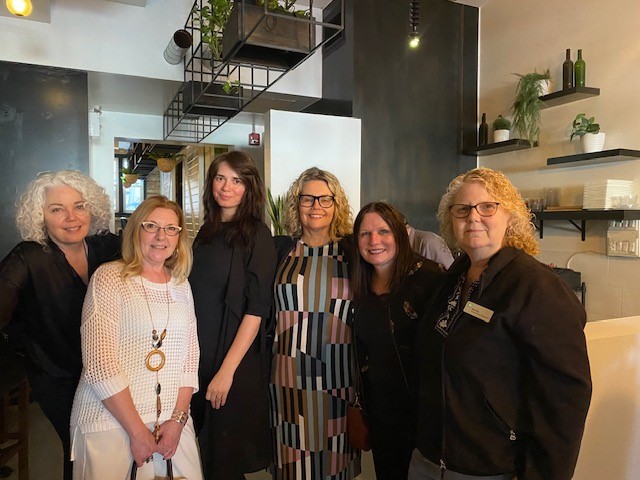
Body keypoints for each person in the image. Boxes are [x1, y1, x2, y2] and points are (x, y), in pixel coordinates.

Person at [409, 167, 592, 480]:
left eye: (487, 207)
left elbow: (564, 397)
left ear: (511, 216)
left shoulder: (536, 287)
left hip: (491, 468)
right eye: (462, 209)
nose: (473, 217)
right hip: (428, 460)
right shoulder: (452, 278)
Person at [70, 195, 201, 480]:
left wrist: (178, 420)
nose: (161, 236)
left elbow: (190, 359)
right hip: (111, 421)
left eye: (171, 229)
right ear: (135, 230)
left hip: (172, 423)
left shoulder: (181, 285)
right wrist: (138, 432)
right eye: (151, 226)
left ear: (179, 237)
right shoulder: (109, 278)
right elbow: (100, 365)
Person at [0, 170, 120, 480]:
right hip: (57, 377)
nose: (71, 217)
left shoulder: (106, 247)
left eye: (79, 206)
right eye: (57, 209)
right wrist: (24, 353)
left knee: (108, 447)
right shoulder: (27, 257)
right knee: (79, 450)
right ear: (40, 216)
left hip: (107, 371)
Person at [189, 151, 277, 479]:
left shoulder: (257, 234)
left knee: (225, 460)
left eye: (237, 180)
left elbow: (257, 310)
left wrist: (226, 371)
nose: (226, 187)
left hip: (233, 361)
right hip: (201, 357)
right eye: (220, 178)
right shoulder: (206, 232)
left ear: (249, 187)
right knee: (206, 455)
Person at [269, 167, 361, 480]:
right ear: (296, 204)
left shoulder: (353, 252)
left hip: (339, 378)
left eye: (325, 199)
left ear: (336, 204)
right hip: (287, 377)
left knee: (335, 463)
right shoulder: (279, 250)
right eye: (307, 199)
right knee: (293, 461)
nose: (316, 206)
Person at [351, 202, 445, 479]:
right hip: (382, 415)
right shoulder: (361, 285)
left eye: (383, 231)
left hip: (425, 419)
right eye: (365, 234)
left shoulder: (430, 279)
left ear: (400, 234)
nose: (374, 241)